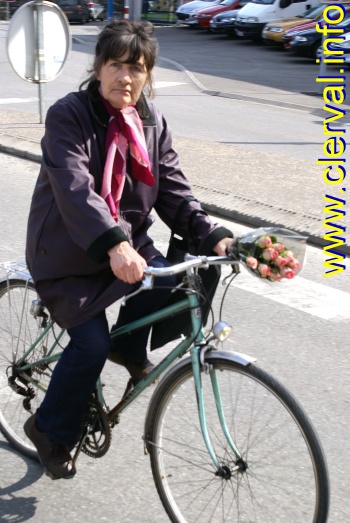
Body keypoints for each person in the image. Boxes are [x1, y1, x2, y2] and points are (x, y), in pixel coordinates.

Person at [24, 20, 234, 480]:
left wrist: (211, 233)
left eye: (136, 68)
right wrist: (115, 243)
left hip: (126, 247)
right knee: (91, 345)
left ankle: (130, 345)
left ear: (148, 75)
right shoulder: (69, 115)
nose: (126, 77)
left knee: (181, 281)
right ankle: (49, 428)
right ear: (98, 68)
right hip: (67, 250)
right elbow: (77, 189)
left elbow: (175, 194)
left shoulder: (152, 123)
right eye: (116, 65)